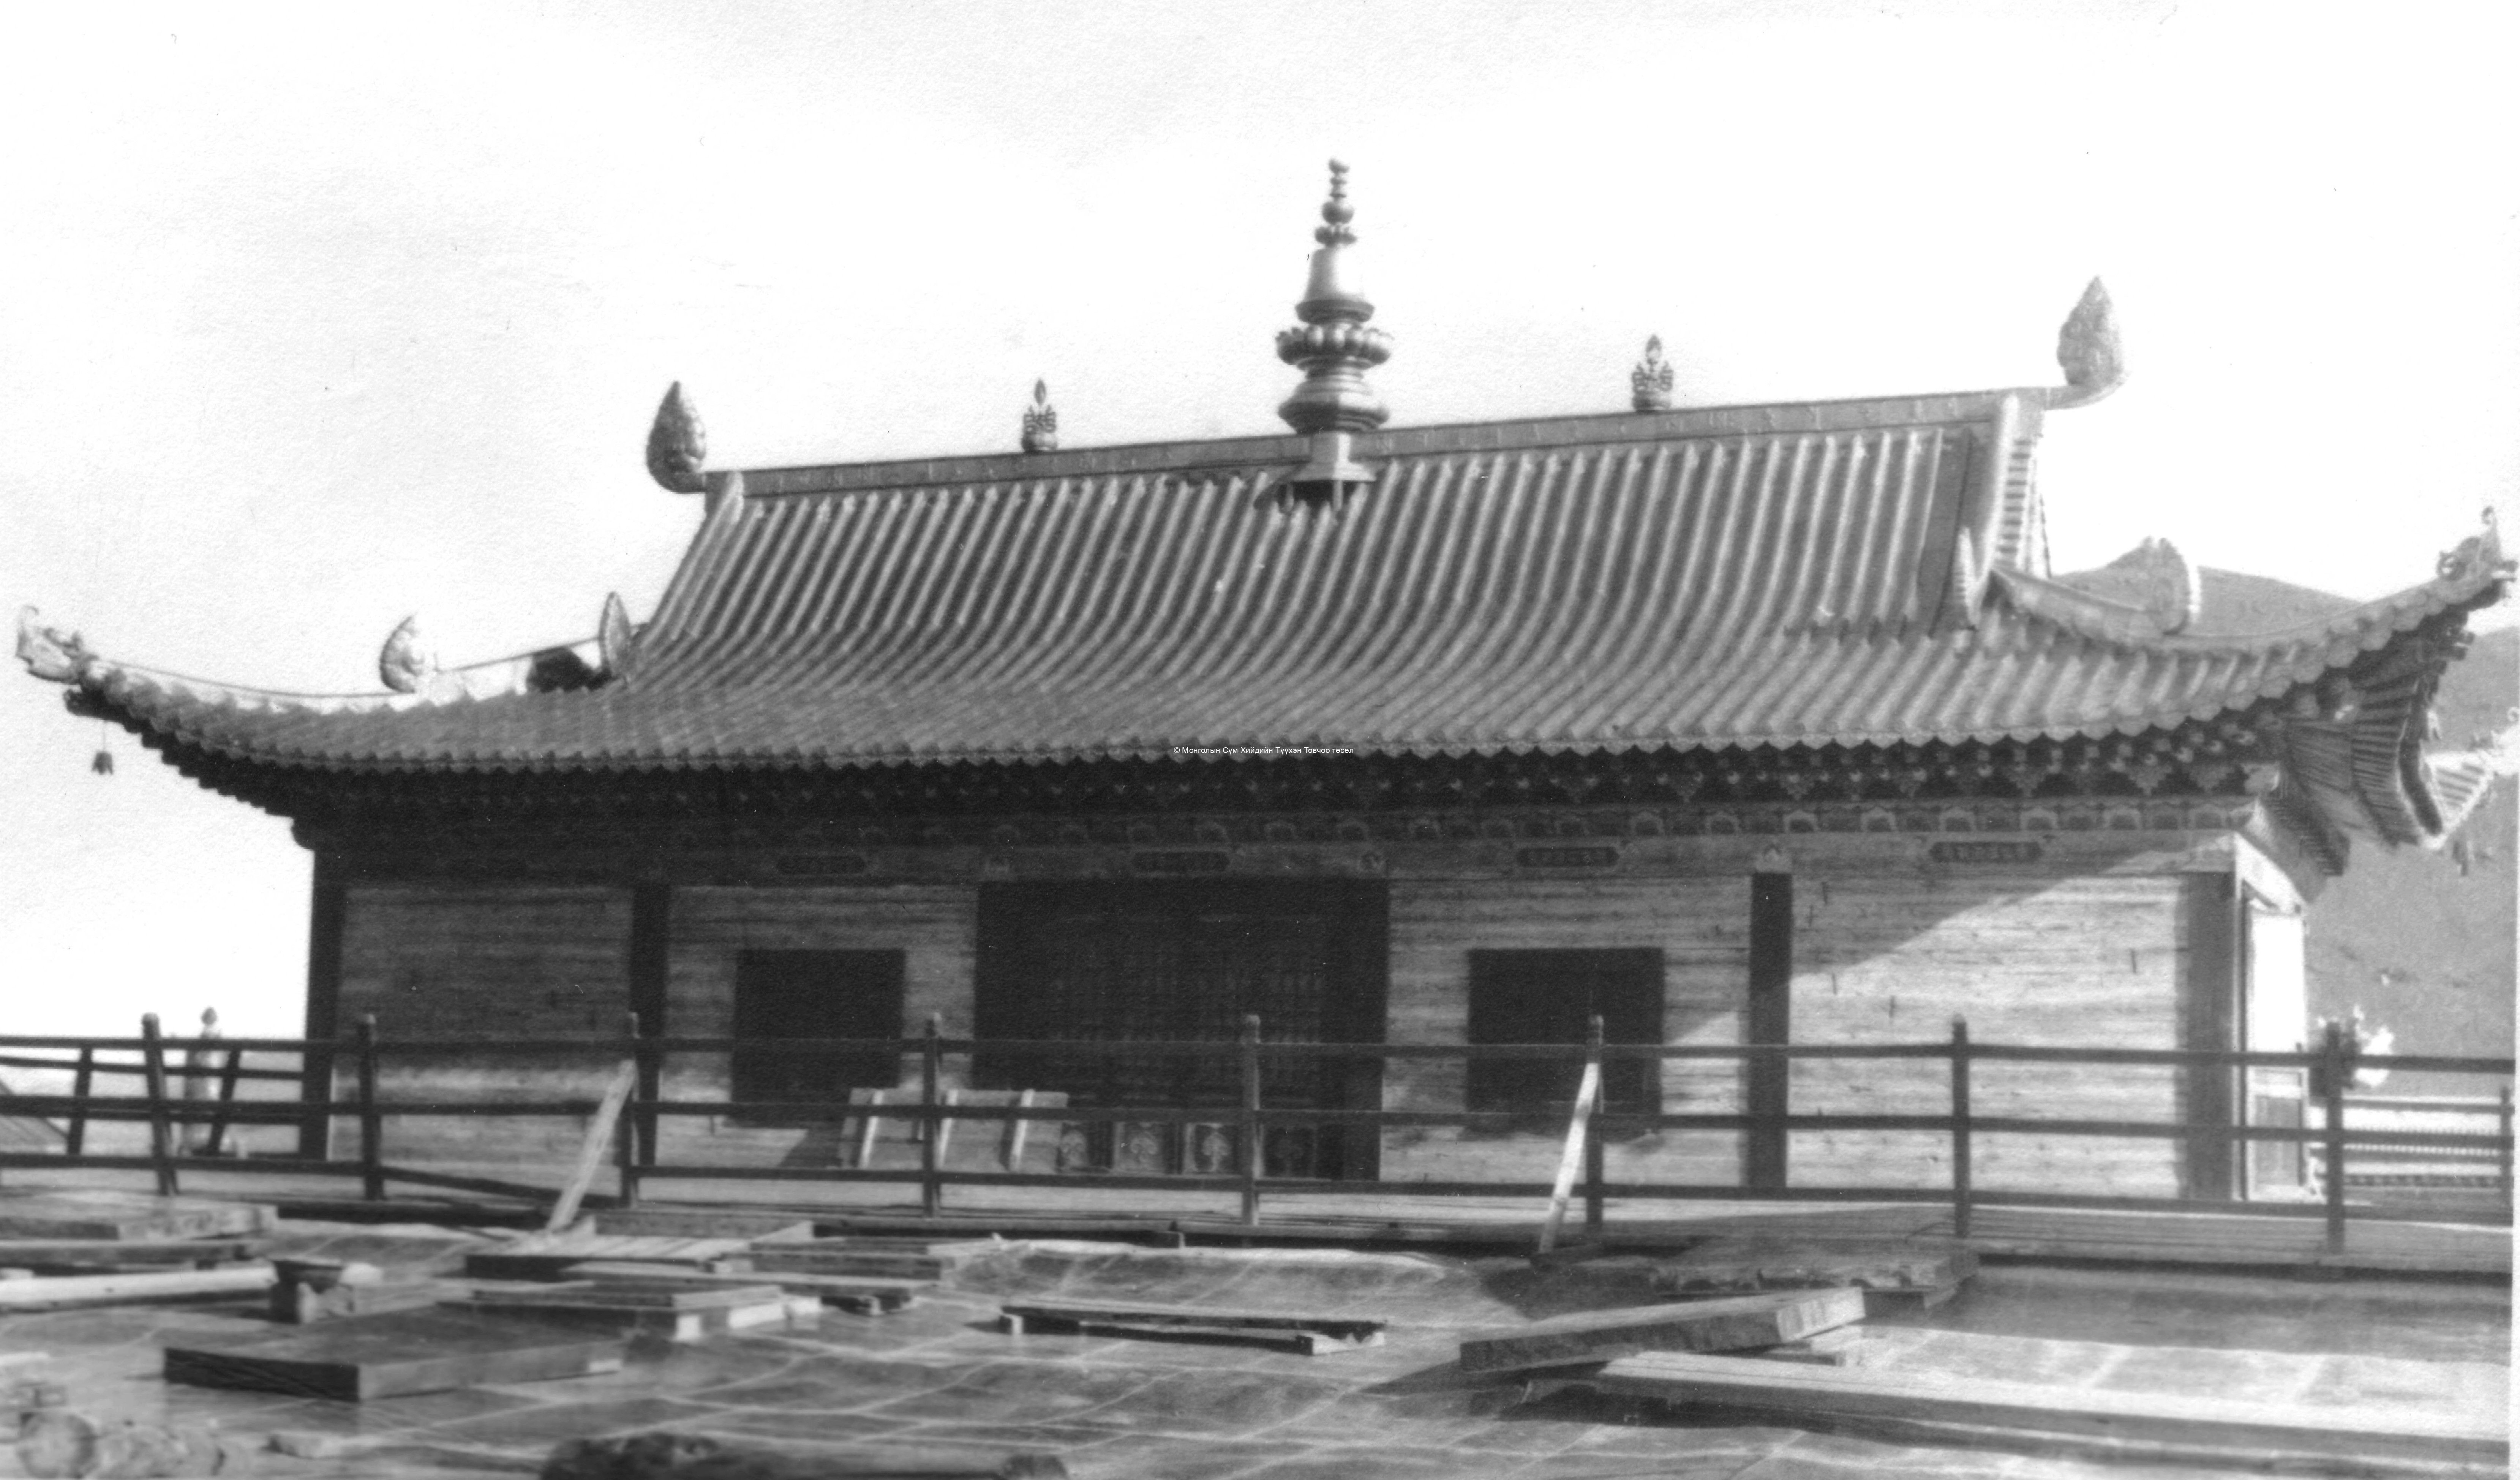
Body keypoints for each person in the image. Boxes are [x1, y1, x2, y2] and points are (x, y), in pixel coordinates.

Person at [182, 1007, 223, 1153]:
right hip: (211, 1068)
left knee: (206, 1099)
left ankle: (200, 1141)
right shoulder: (216, 1033)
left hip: (207, 1068)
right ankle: (207, 1140)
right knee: (209, 1099)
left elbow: (201, 1051)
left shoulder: (209, 1033)